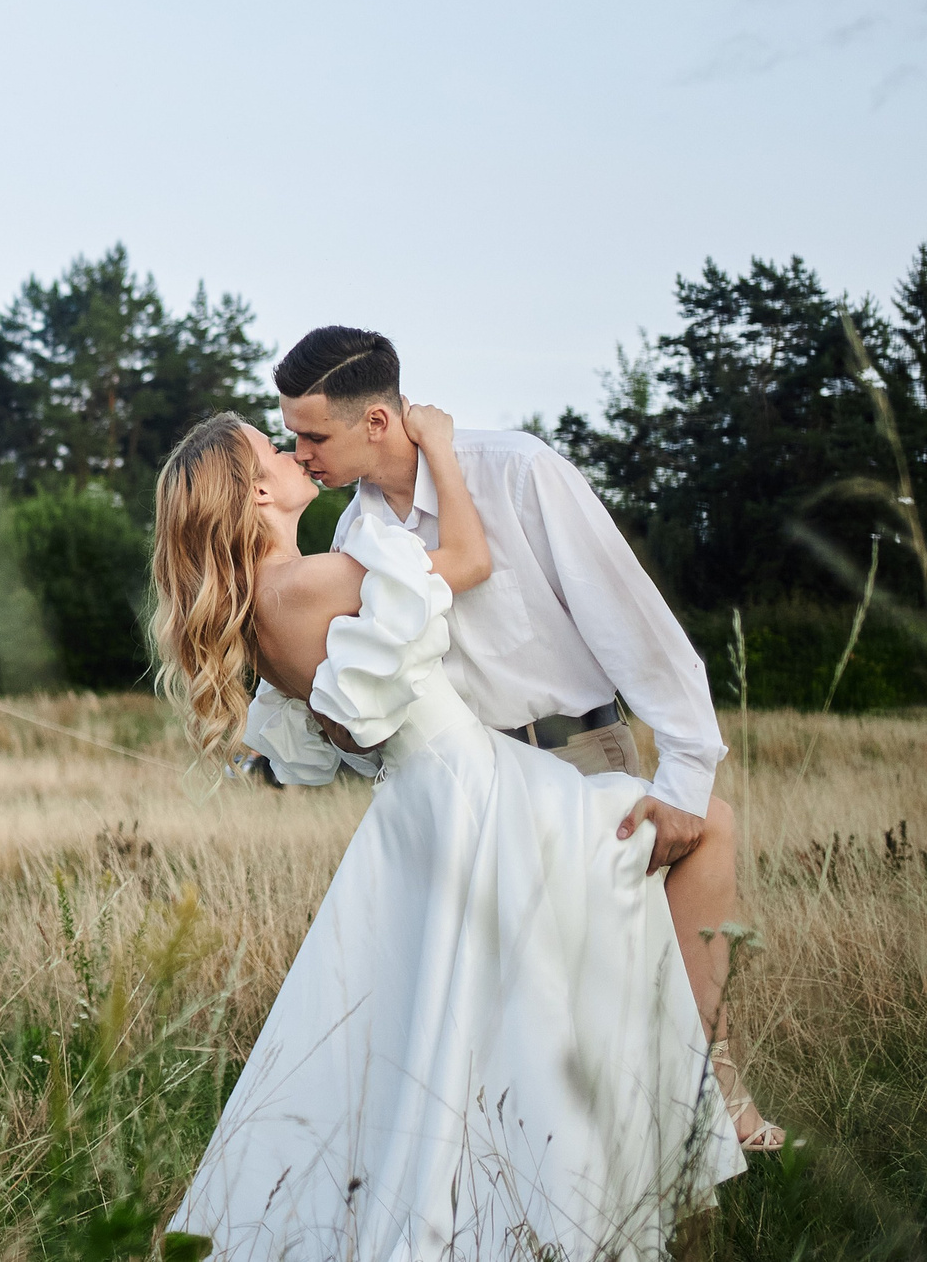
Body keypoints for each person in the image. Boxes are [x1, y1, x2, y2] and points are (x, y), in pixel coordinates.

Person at [154, 407, 746, 1260]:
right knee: (698, 831)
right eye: (273, 448)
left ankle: (535, 1188)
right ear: (254, 492)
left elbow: (352, 735)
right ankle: (684, 1120)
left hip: (423, 803)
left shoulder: (263, 611)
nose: (292, 455)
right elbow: (469, 561)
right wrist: (436, 447)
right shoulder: (317, 578)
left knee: (472, 1016)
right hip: (479, 790)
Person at [275, 326, 779, 1150]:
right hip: (478, 794)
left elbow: (632, 623)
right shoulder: (350, 542)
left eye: (312, 435)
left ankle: (710, 1111)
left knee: (631, 979)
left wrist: (686, 775)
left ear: (375, 421)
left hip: (583, 759)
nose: (299, 455)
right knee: (535, 1016)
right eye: (291, 434)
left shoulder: (518, 472)